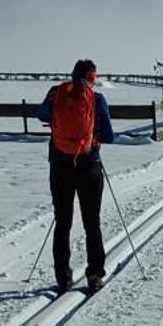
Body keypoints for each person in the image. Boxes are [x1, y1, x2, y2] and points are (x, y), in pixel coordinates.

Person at [36, 58, 116, 293]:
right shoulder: (97, 99)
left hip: (59, 167)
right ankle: (94, 275)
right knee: (92, 223)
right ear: (91, 79)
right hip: (89, 166)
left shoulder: (56, 94)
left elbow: (40, 114)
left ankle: (63, 277)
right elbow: (109, 136)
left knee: (62, 222)